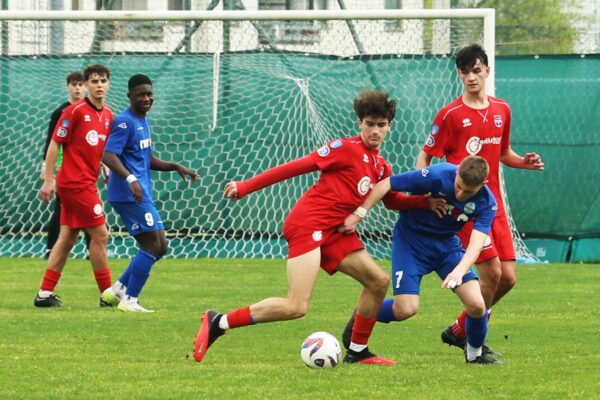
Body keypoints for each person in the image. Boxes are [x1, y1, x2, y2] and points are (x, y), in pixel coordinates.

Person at [193, 89, 446, 365]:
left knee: (378, 282)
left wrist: (425, 202)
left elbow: (392, 201)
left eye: (381, 125)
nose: (375, 130)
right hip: (308, 224)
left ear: (389, 126)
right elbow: (295, 167)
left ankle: (358, 351)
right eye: (370, 124)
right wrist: (246, 186)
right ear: (360, 122)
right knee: (296, 306)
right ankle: (219, 322)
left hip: (335, 232)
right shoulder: (344, 148)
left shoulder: (381, 167)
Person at [415, 44, 544, 353]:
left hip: (493, 205)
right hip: (465, 208)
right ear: (459, 75)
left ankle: (462, 328)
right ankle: (476, 342)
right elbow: (425, 158)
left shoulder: (502, 109)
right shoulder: (449, 115)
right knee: (492, 274)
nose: (471, 77)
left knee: (508, 278)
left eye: (476, 70)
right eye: (464, 72)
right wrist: (428, 196)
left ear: (487, 71)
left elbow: (502, 153)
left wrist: (523, 162)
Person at [340, 156, 501, 364]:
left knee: (478, 305)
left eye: (468, 192)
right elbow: (386, 184)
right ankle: (367, 310)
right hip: (410, 243)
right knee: (405, 309)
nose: (460, 194)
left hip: (446, 247)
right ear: (457, 172)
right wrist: (359, 214)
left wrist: (459, 270)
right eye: (458, 186)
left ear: (483, 184)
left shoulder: (487, 203)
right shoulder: (437, 175)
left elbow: (477, 243)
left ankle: (474, 356)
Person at [99, 74, 198, 313]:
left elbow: (146, 158)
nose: (146, 98)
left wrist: (174, 166)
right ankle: (130, 300)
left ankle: (117, 291)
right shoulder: (125, 121)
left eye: (149, 94)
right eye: (141, 94)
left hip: (141, 192)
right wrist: (131, 178)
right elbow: (108, 155)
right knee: (153, 245)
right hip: (128, 193)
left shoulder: (143, 122)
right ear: (130, 96)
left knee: (160, 246)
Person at [35, 64, 114, 308]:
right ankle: (107, 296)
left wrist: (104, 166)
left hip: (86, 182)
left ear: (109, 84)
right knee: (101, 234)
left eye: (103, 80)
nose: (99, 85)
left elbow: (97, 148)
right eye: (94, 81)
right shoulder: (74, 111)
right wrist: (49, 179)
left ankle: (44, 294)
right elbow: (54, 144)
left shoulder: (108, 115)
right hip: (74, 183)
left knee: (68, 236)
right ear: (87, 85)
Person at [41, 71, 91, 259]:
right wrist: (47, 174)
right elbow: (50, 143)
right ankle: (51, 249)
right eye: (73, 84)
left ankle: (90, 249)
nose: (77, 88)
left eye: (80, 84)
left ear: (85, 86)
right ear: (68, 87)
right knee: (63, 208)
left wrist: (104, 164)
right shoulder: (60, 112)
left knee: (86, 208)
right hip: (65, 168)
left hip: (87, 168)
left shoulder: (91, 110)